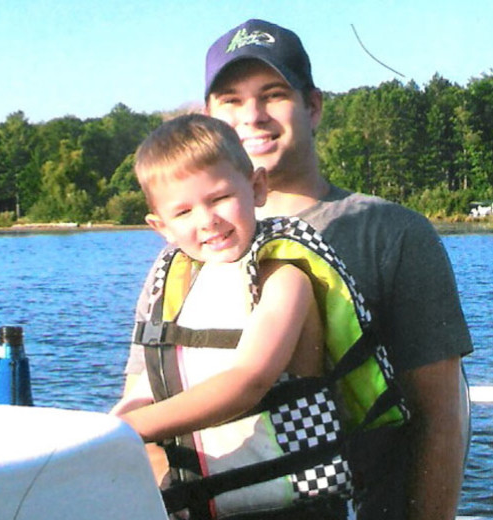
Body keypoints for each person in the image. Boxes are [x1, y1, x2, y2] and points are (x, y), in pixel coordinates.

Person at [123, 18, 473, 520]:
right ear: (210, 117)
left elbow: (440, 420)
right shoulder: (180, 259)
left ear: (312, 106)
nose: (254, 115)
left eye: (273, 94)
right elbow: (149, 394)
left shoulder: (392, 234)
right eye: (231, 100)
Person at [113, 113, 363, 519]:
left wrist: (130, 430)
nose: (207, 220)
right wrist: (102, 432)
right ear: (161, 227)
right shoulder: (175, 286)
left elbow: (249, 380)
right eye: (184, 213)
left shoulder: (284, 278)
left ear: (256, 188)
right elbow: (144, 388)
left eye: (218, 199)